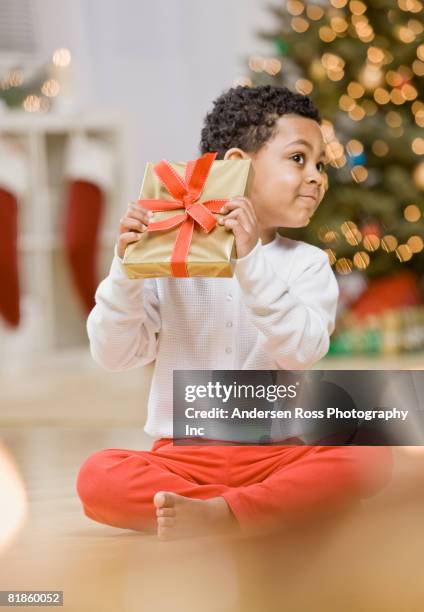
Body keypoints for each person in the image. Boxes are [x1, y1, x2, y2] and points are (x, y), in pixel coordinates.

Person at [76, 85, 392, 540]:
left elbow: (300, 351)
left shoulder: (308, 264)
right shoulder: (170, 256)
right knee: (98, 476)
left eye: (321, 164)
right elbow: (114, 354)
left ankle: (222, 514)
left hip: (279, 453)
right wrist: (127, 271)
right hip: (181, 457)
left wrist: (248, 262)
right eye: (299, 159)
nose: (317, 177)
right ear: (240, 167)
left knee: (371, 458)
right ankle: (244, 512)